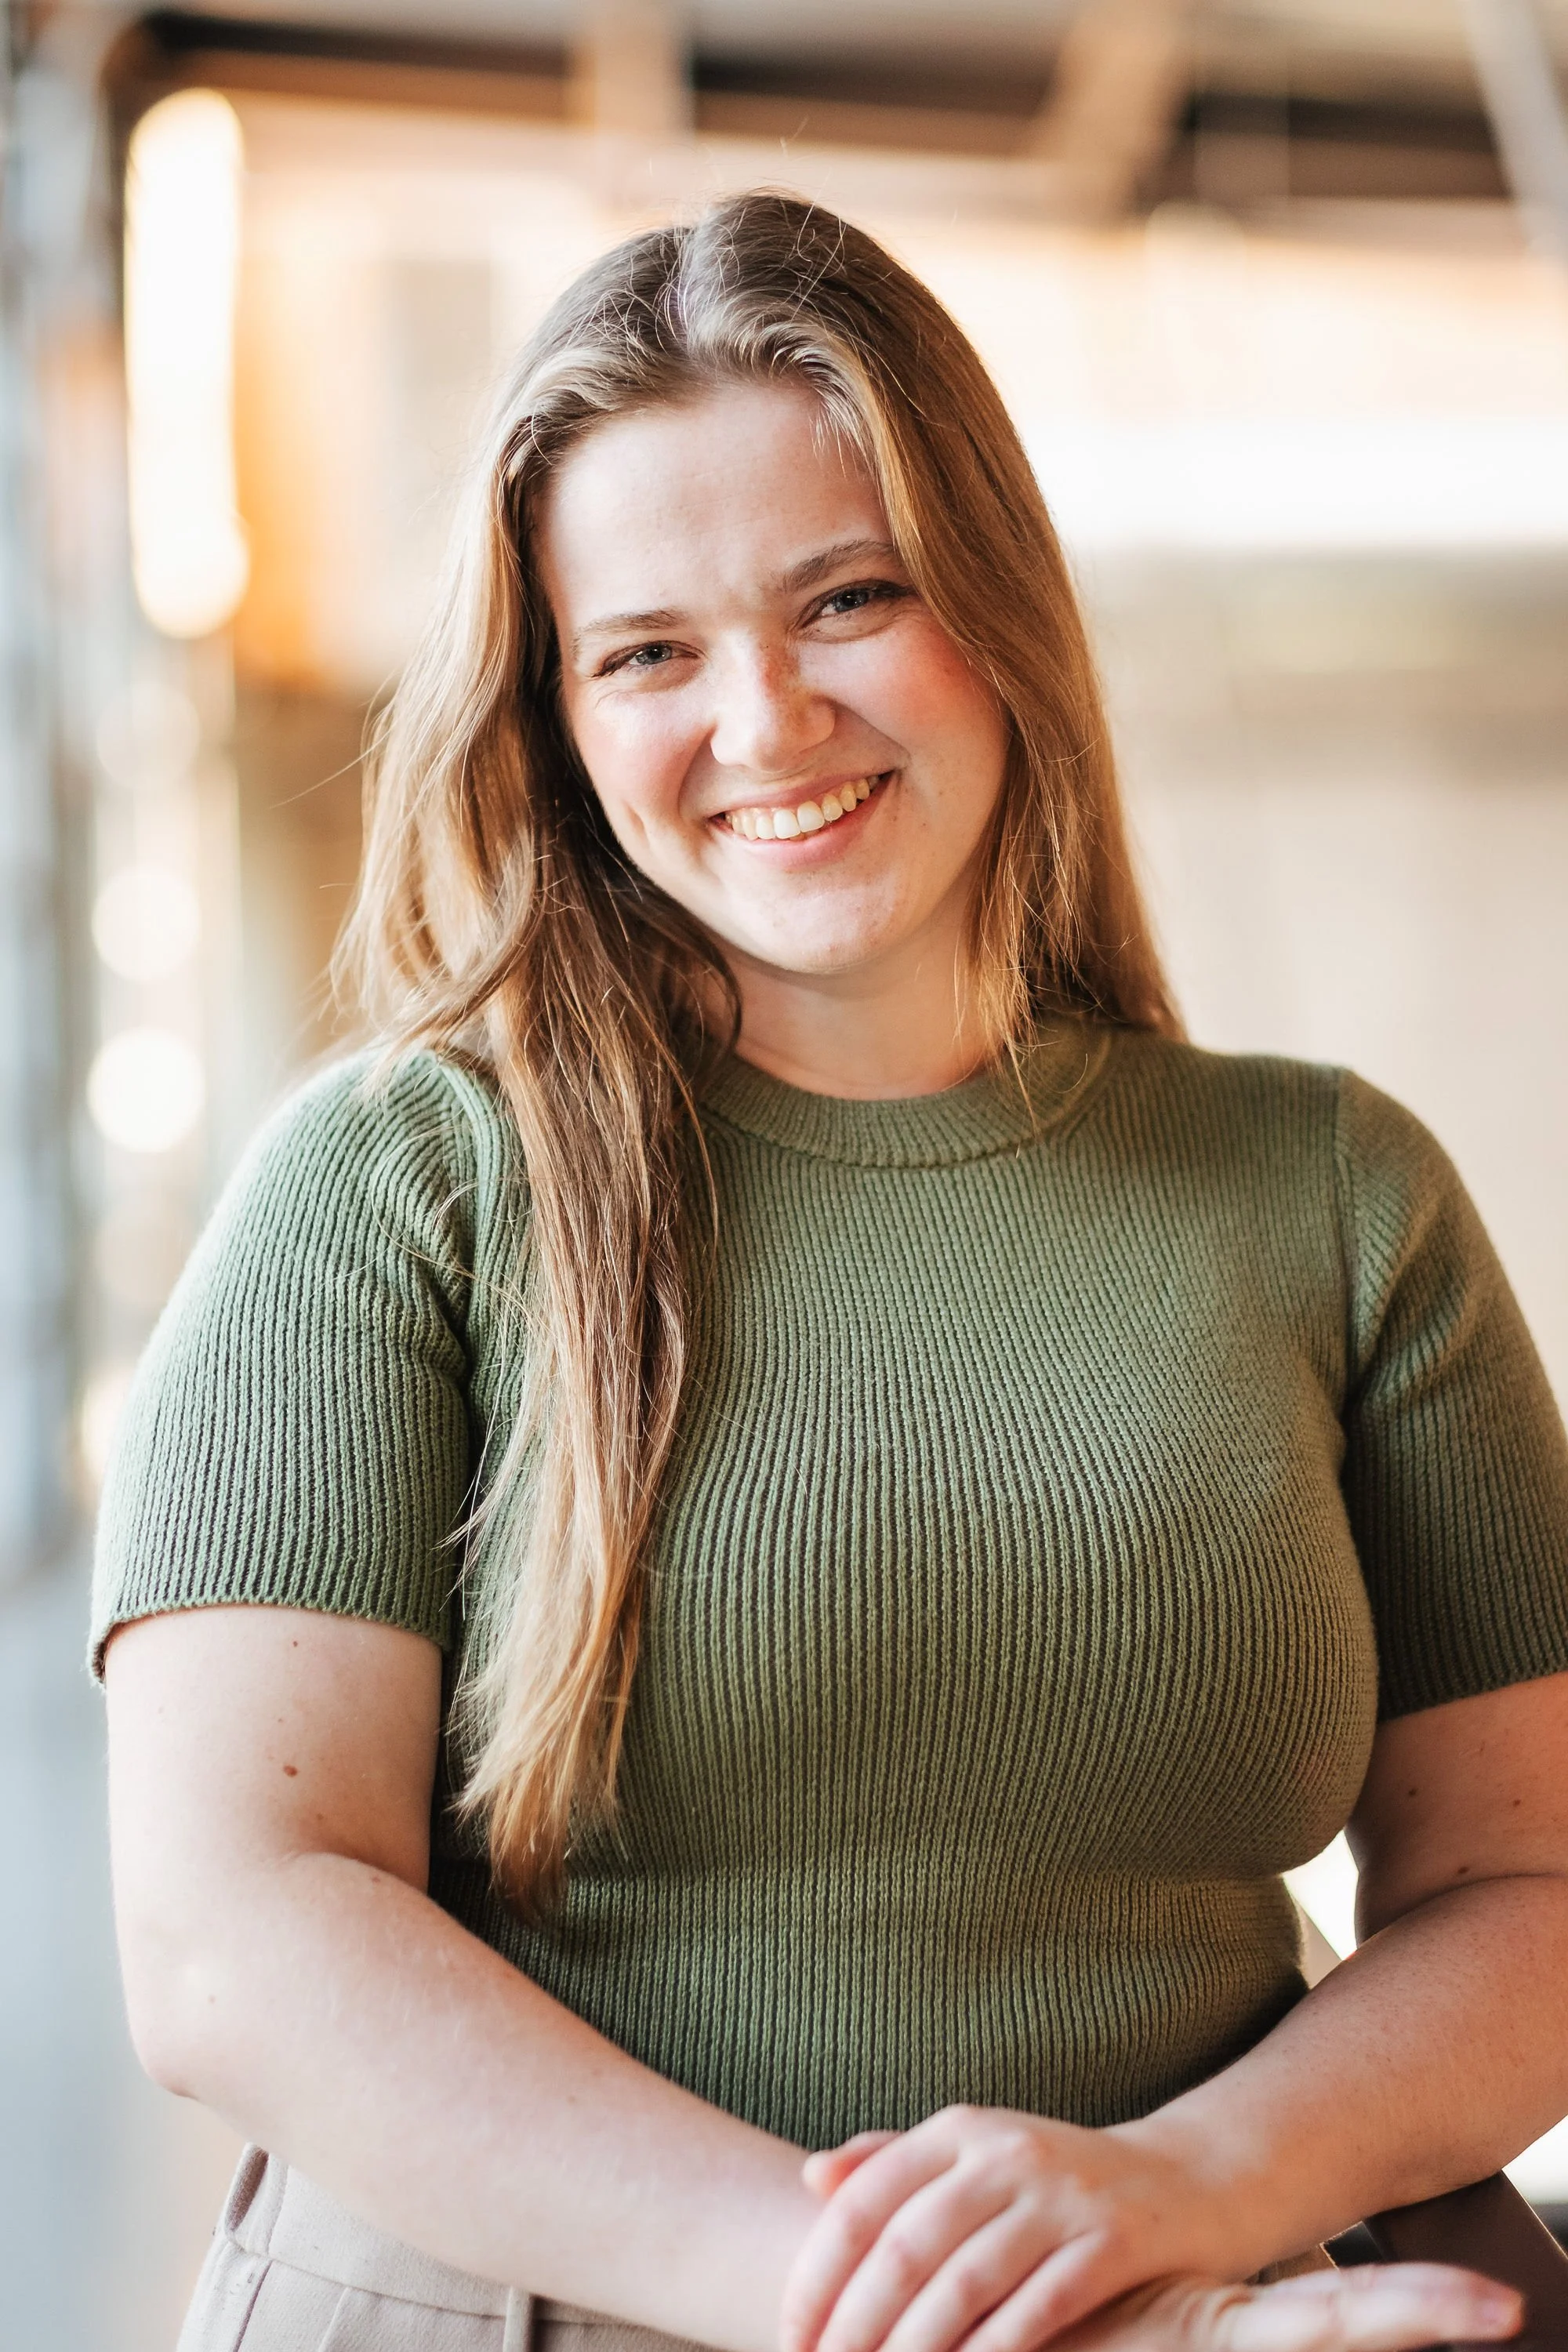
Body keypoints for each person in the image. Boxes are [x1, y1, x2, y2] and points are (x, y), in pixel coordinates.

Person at [96, 193, 1568, 2352]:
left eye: (849, 598)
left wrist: (1182, 2196)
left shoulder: (1337, 1195)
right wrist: (947, 2312)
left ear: (998, 605)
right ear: (555, 717)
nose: (767, 718)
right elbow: (234, 1938)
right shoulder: (392, 1189)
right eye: (647, 652)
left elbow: (1527, 1889)